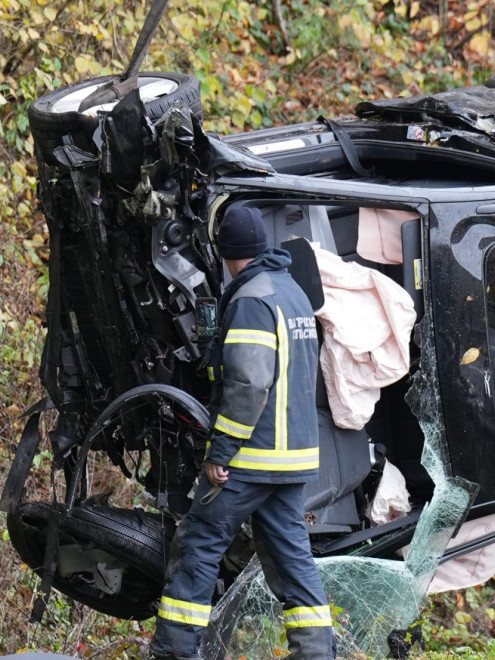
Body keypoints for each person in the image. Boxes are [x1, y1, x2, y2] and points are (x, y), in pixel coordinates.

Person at [150, 206, 334, 660]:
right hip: (292, 460)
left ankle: (175, 651)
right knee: (293, 559)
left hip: (252, 458)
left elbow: (249, 383)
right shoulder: (291, 293)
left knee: (200, 541)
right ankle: (316, 654)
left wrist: (221, 452)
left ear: (226, 253)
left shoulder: (252, 300)